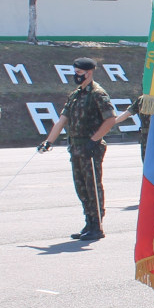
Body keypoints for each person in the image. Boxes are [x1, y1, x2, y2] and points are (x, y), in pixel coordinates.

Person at [38, 58, 117, 241]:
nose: (76, 76)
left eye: (79, 73)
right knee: (81, 187)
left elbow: (110, 119)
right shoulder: (75, 95)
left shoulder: (98, 94)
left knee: (92, 186)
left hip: (90, 148)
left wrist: (94, 140)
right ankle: (89, 222)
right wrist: (48, 142)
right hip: (76, 147)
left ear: (89, 72)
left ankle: (97, 226)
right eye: (75, 72)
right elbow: (62, 120)